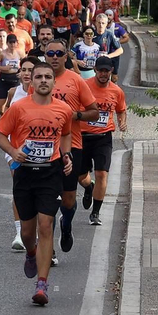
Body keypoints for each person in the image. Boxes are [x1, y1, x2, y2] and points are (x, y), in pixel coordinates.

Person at [0, 62, 77, 306]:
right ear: (31, 81)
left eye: (47, 77)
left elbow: (66, 133)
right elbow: (0, 135)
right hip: (24, 174)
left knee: (46, 225)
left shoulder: (63, 109)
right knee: (28, 232)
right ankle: (31, 253)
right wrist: (13, 151)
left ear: (54, 82)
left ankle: (42, 284)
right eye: (38, 76)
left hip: (50, 173)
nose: (42, 80)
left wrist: (67, 155)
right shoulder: (19, 108)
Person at [44, 39, 98, 256]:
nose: (55, 57)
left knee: (67, 200)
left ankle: (66, 225)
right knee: (49, 199)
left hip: (72, 146)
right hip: (45, 147)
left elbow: (94, 111)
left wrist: (75, 115)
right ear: (45, 56)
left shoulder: (75, 80)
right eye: (50, 53)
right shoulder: (39, 81)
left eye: (59, 53)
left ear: (66, 56)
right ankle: (50, 250)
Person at [81, 57, 128, 226]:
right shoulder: (84, 86)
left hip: (103, 137)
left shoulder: (116, 91)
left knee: (102, 174)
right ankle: (88, 187)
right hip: (82, 136)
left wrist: (122, 121)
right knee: (80, 176)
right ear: (95, 69)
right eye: (100, 70)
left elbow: (121, 110)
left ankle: (95, 212)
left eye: (106, 71)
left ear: (111, 71)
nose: (103, 74)